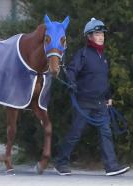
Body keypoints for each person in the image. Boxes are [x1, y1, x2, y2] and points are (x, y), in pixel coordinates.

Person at [55, 18, 130, 176]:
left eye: (102, 33)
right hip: (84, 103)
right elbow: (71, 71)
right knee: (75, 133)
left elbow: (103, 79)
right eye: (97, 33)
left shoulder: (103, 57)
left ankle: (111, 167)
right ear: (89, 36)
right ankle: (60, 163)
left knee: (106, 134)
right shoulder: (82, 54)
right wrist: (72, 82)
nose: (101, 36)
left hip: (101, 104)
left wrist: (108, 96)